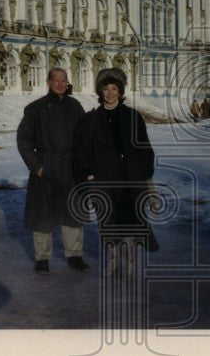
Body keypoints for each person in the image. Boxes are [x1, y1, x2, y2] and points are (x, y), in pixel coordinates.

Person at [73, 68, 158, 278]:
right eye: (105, 88)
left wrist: (143, 173)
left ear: (120, 91)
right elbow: (80, 149)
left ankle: (129, 263)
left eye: (114, 88)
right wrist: (87, 173)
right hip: (102, 180)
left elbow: (144, 148)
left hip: (129, 179)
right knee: (107, 222)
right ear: (100, 91)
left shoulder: (132, 116)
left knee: (128, 222)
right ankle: (112, 262)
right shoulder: (90, 119)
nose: (110, 93)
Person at [16, 68, 89, 274]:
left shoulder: (75, 106)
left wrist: (84, 166)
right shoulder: (35, 108)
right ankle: (42, 258)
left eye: (63, 80)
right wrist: (36, 166)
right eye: (56, 80)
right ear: (48, 82)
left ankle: (75, 255)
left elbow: (84, 138)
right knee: (43, 215)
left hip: (70, 167)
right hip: (45, 166)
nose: (60, 83)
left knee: (72, 213)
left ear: (67, 83)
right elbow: (24, 140)